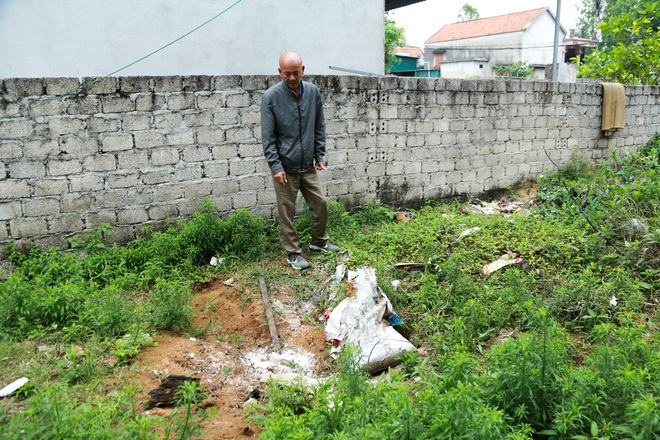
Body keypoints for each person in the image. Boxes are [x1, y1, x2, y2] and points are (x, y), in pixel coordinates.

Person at [261, 51, 340, 270]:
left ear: (303, 70)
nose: (292, 78)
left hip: (307, 165)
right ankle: (293, 253)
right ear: (280, 72)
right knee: (287, 212)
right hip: (284, 167)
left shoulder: (313, 92)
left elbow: (319, 126)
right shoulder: (271, 97)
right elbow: (268, 137)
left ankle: (319, 241)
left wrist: (319, 154)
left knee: (320, 204)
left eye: (296, 73)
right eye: (287, 74)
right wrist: (276, 167)